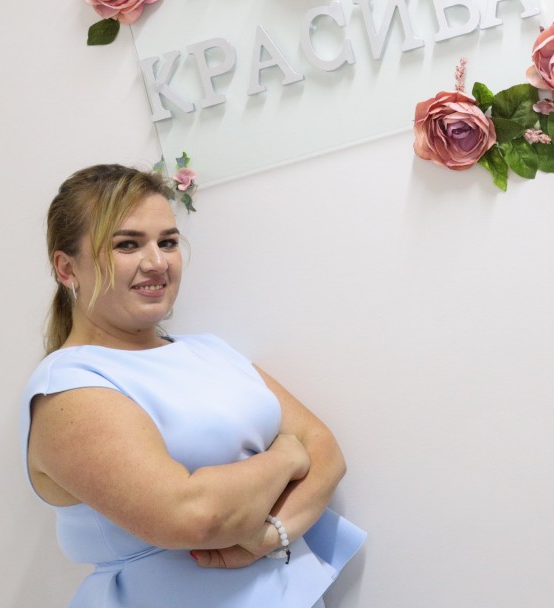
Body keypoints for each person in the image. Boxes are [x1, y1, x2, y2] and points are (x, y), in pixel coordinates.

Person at [20, 164, 364, 607]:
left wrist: (267, 536)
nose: (157, 262)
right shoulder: (67, 389)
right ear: (67, 268)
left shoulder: (209, 349)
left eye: (167, 242)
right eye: (127, 244)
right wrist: (286, 456)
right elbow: (194, 515)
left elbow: (325, 450)